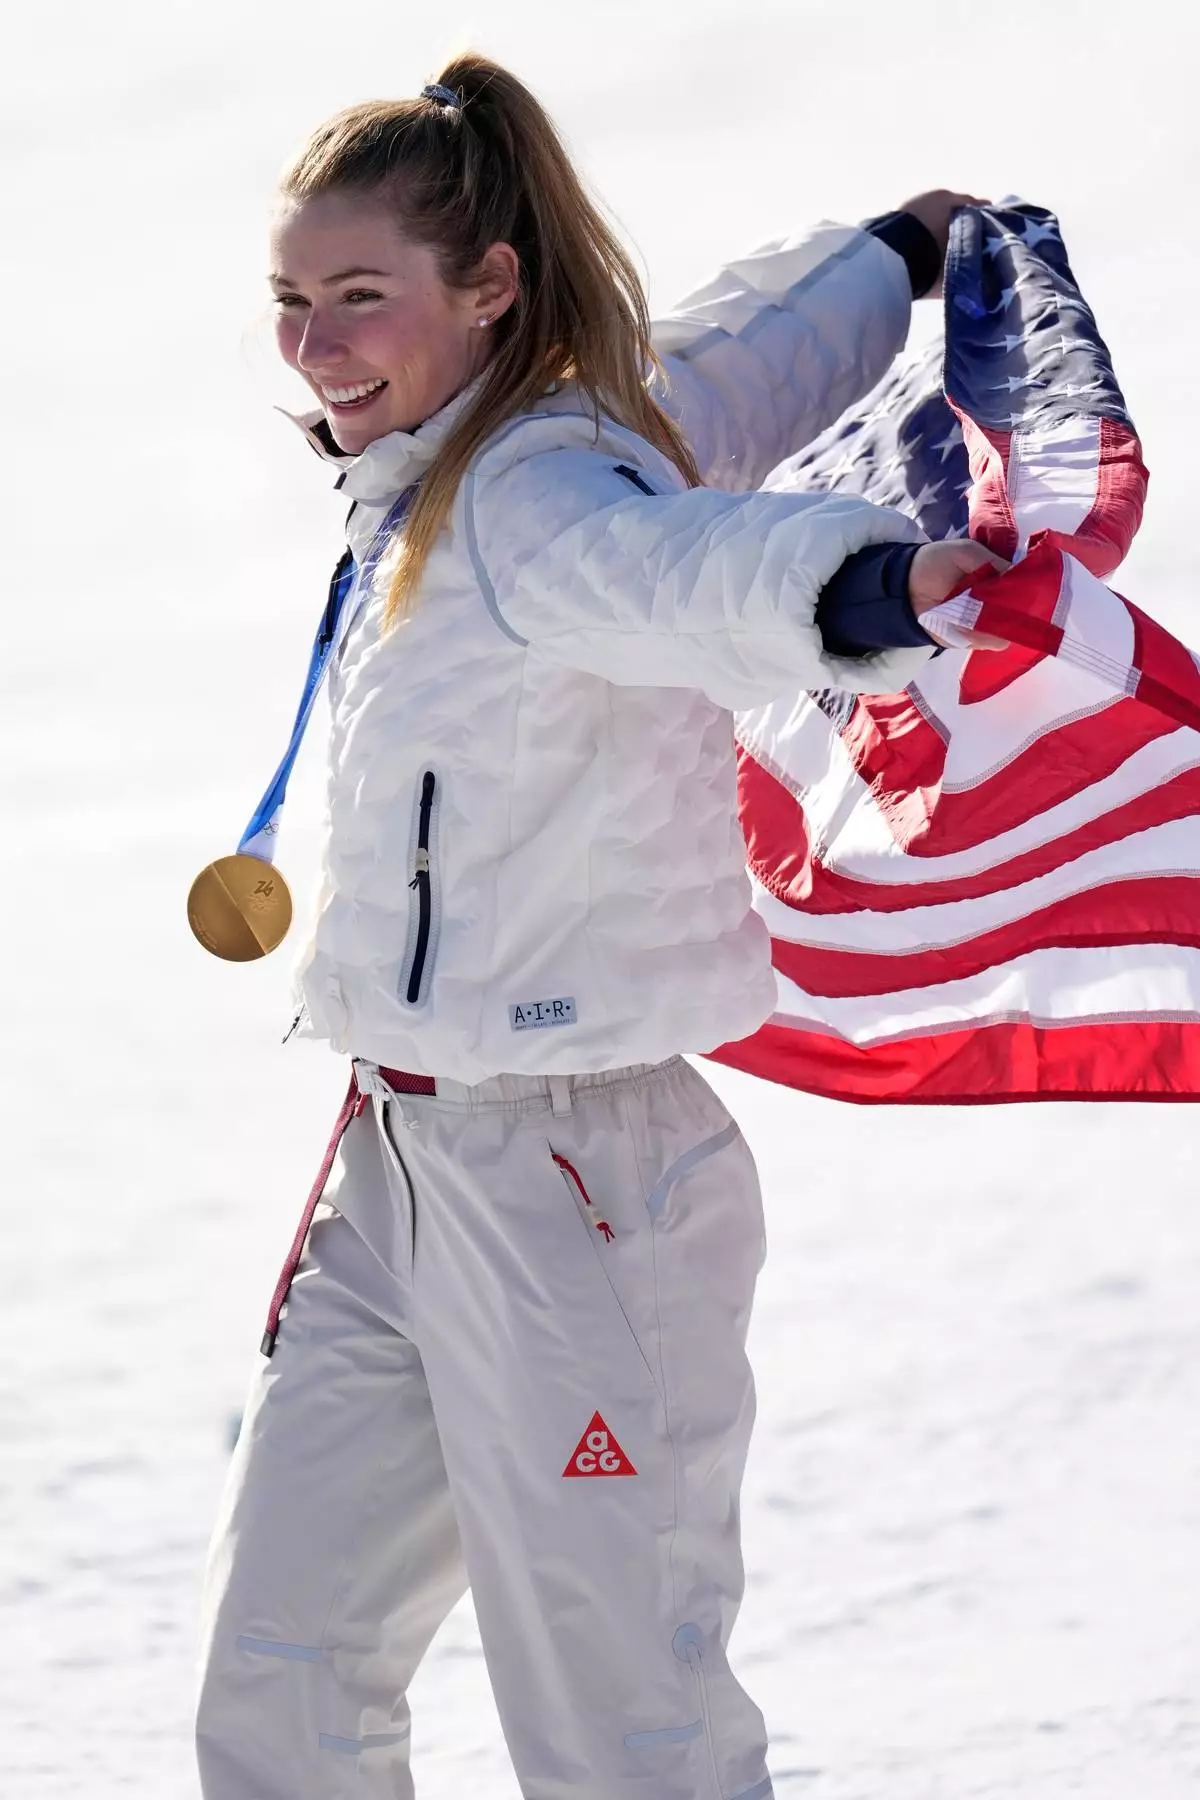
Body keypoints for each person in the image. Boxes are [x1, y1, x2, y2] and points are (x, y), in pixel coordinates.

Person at [195, 53, 1003, 1800]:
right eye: (289, 301)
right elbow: (737, 360)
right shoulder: (488, 447)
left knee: (625, 1729)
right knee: (282, 1687)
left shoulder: (542, 502)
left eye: (357, 298)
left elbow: (685, 576)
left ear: (488, 288)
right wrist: (894, 252)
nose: (317, 345)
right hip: (398, 1166)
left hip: (574, 1186)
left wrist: (863, 587)